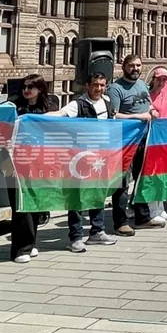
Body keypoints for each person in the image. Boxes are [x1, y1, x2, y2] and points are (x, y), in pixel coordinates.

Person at [55, 72, 117, 252]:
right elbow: (61, 114)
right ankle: (75, 237)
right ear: (87, 86)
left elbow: (114, 121)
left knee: (97, 193)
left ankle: (97, 231)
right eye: (95, 85)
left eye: (102, 85)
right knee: (76, 197)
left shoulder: (107, 103)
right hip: (79, 159)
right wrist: (38, 118)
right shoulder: (77, 104)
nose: (99, 88)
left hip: (100, 158)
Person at [108, 54, 162, 232]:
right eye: (131, 66)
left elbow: (148, 106)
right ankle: (120, 222)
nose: (136, 69)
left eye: (138, 65)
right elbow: (113, 115)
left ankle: (143, 217)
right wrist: (138, 117)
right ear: (124, 67)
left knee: (142, 180)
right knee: (122, 183)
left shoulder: (142, 85)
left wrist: (152, 111)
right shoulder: (116, 88)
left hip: (144, 140)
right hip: (124, 142)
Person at [6, 75, 50, 263]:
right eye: (24, 86)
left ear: (40, 89)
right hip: (15, 162)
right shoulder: (12, 107)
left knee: (34, 204)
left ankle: (30, 243)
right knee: (20, 205)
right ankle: (19, 249)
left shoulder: (48, 109)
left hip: (38, 163)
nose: (27, 90)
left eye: (31, 86)